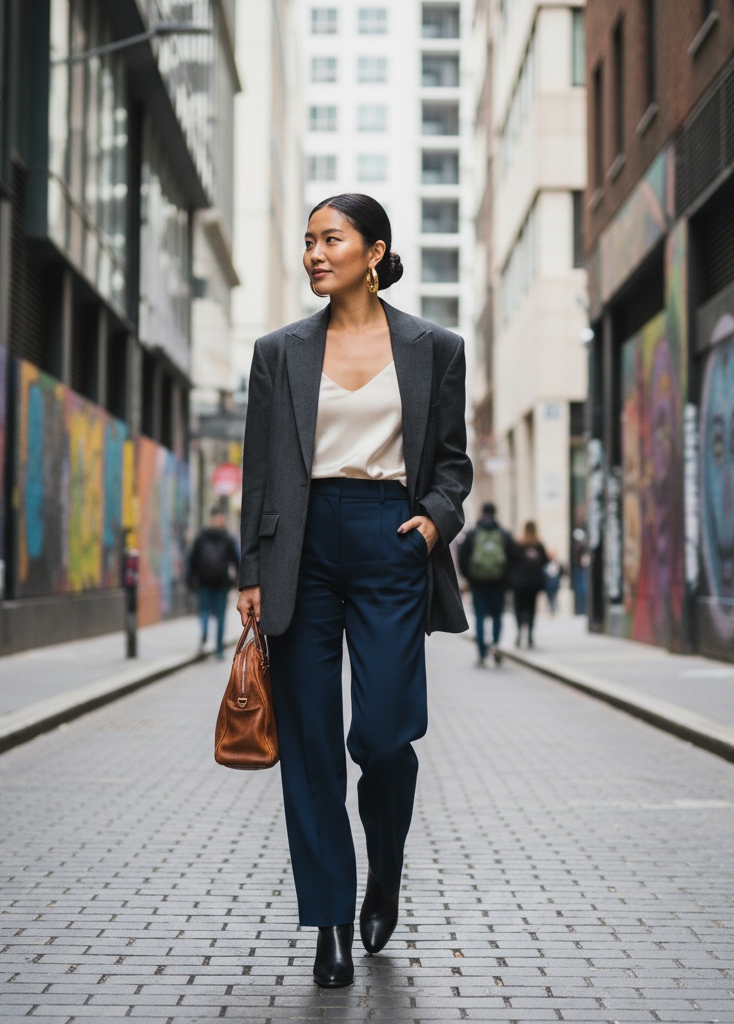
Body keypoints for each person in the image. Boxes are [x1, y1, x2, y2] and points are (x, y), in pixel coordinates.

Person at [236, 194, 472, 989]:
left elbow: (451, 467)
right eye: (307, 241)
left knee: (382, 733)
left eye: (329, 239)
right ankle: (331, 921)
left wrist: (434, 524)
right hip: (299, 546)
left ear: (374, 252)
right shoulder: (280, 352)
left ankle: (386, 866)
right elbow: (261, 469)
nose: (313, 253)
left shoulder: (435, 348)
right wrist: (249, 572)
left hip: (389, 537)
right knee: (308, 747)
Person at [458, 503, 516, 665]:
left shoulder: (473, 533)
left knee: (480, 616)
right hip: (499, 583)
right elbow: (514, 557)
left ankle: (482, 653)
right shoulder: (503, 534)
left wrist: (469, 578)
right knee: (497, 615)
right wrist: (506, 578)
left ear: (482, 513)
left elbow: (462, 558)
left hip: (478, 583)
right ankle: (495, 645)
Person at [188, 509, 239, 659]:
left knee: (204, 610)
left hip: (204, 581)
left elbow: (193, 559)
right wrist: (239, 580)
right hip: (221, 582)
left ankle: (204, 630)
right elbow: (235, 560)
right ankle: (218, 650)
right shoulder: (227, 537)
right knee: (221, 616)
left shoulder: (201, 536)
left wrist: (191, 578)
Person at [509, 521, 548, 647]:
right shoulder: (538, 545)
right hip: (533, 584)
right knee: (531, 608)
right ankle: (530, 634)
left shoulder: (519, 544)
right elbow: (545, 561)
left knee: (519, 608)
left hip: (519, 584)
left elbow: (511, 561)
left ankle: (520, 632)